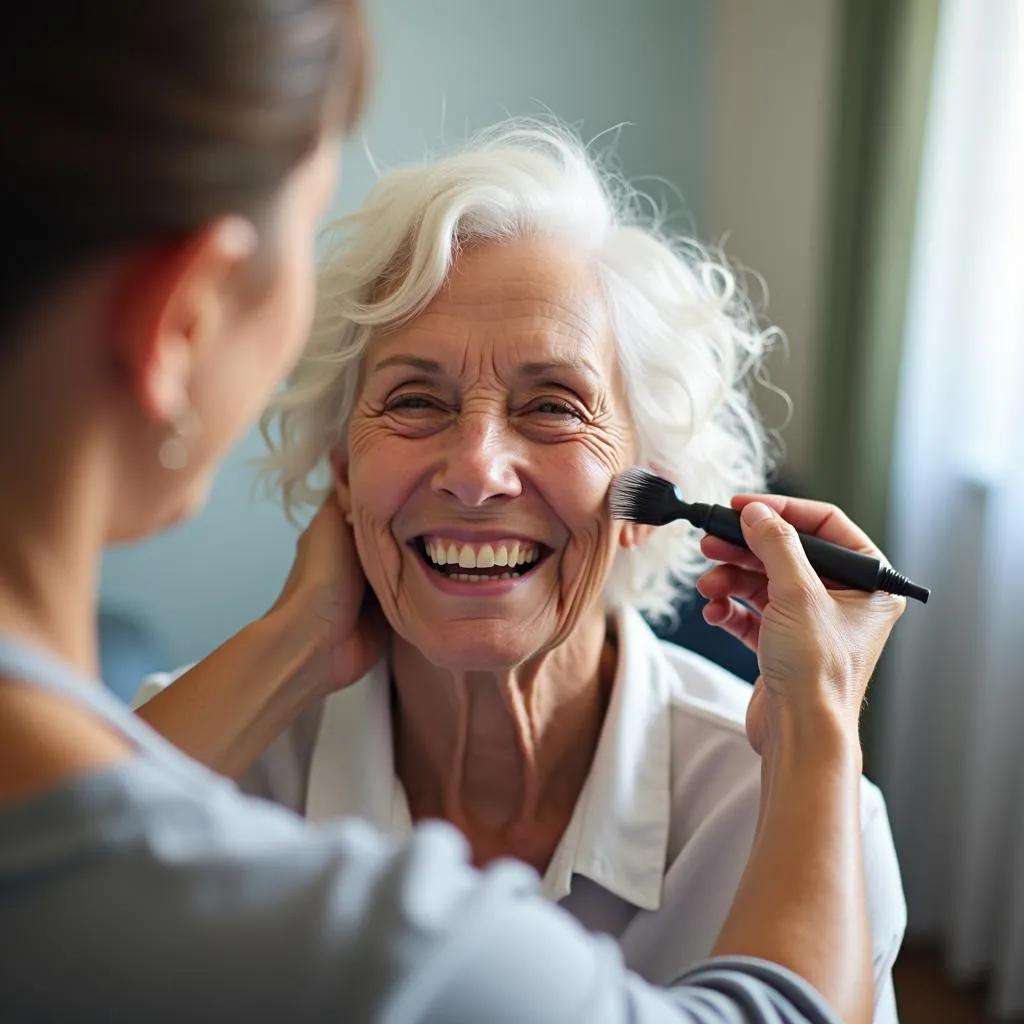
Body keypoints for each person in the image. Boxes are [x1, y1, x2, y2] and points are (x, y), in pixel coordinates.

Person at [0, 3, 907, 1023]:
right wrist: (296, 643)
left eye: (553, 406)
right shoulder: (203, 753)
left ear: (649, 497)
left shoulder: (787, 818)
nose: (476, 469)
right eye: (415, 400)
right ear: (342, 472)